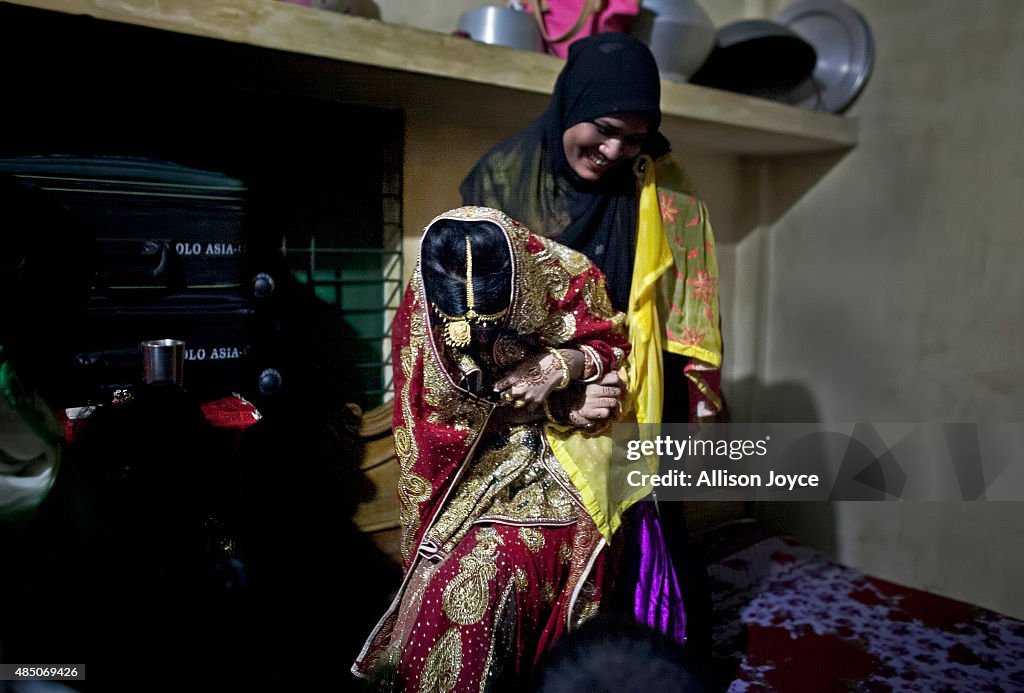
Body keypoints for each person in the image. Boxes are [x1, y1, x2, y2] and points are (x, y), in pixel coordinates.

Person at [460, 31, 724, 657]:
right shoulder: (501, 182)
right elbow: (481, 323)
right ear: (569, 103)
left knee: (649, 530)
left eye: (634, 138)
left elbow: (689, 290)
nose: (614, 151)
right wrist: (565, 389)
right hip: (535, 397)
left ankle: (641, 655)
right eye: (603, 129)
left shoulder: (661, 181)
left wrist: (698, 384)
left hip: (639, 380)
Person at [352, 206, 685, 691]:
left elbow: (613, 346)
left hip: (571, 459)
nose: (476, 331)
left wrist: (562, 365)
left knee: (505, 564)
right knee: (461, 575)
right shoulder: (422, 305)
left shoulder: (566, 273)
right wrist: (555, 404)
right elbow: (436, 417)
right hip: (474, 467)